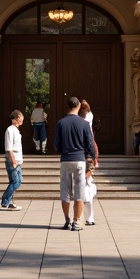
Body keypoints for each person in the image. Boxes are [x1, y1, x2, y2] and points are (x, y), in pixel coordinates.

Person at [54, 96, 95, 231]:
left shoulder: (61, 123)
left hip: (65, 160)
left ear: (68, 106)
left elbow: (57, 144)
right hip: (79, 160)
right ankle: (76, 222)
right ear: (78, 106)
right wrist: (92, 157)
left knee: (65, 191)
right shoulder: (83, 124)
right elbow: (89, 143)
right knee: (79, 192)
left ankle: (67, 220)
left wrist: (63, 151)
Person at [2, 109, 24, 210]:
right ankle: (5, 201)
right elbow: (9, 148)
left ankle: (9, 202)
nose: (21, 119)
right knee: (16, 182)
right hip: (13, 161)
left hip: (17, 161)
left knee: (15, 181)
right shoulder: (10, 130)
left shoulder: (16, 130)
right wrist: (13, 161)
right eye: (20, 117)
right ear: (14, 119)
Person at [78, 99, 99, 166]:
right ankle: (94, 161)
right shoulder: (89, 115)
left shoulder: (78, 117)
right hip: (88, 137)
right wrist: (85, 103)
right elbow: (88, 108)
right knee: (93, 151)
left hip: (82, 138)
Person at [82, 156, 98, 226]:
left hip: (86, 180)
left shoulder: (88, 156)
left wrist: (85, 177)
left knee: (88, 199)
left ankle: (89, 219)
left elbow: (90, 170)